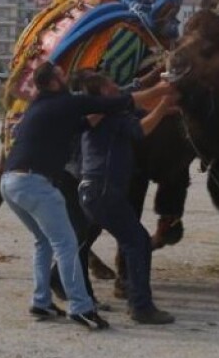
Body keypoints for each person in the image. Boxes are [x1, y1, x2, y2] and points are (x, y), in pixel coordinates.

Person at [0, 61, 172, 330]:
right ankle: (81, 307)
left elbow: (86, 123)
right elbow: (130, 102)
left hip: (10, 181)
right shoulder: (67, 102)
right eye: (61, 74)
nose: (65, 76)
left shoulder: (42, 105)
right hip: (35, 182)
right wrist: (165, 89)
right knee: (67, 244)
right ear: (55, 83)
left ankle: (41, 300)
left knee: (44, 242)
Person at [76, 71, 180, 325]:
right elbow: (141, 130)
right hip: (103, 189)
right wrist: (164, 101)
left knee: (82, 241)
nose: (115, 85)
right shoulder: (106, 114)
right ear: (101, 93)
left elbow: (143, 116)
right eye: (109, 84)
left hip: (93, 189)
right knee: (138, 242)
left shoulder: (107, 114)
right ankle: (141, 306)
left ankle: (57, 280)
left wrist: (166, 109)